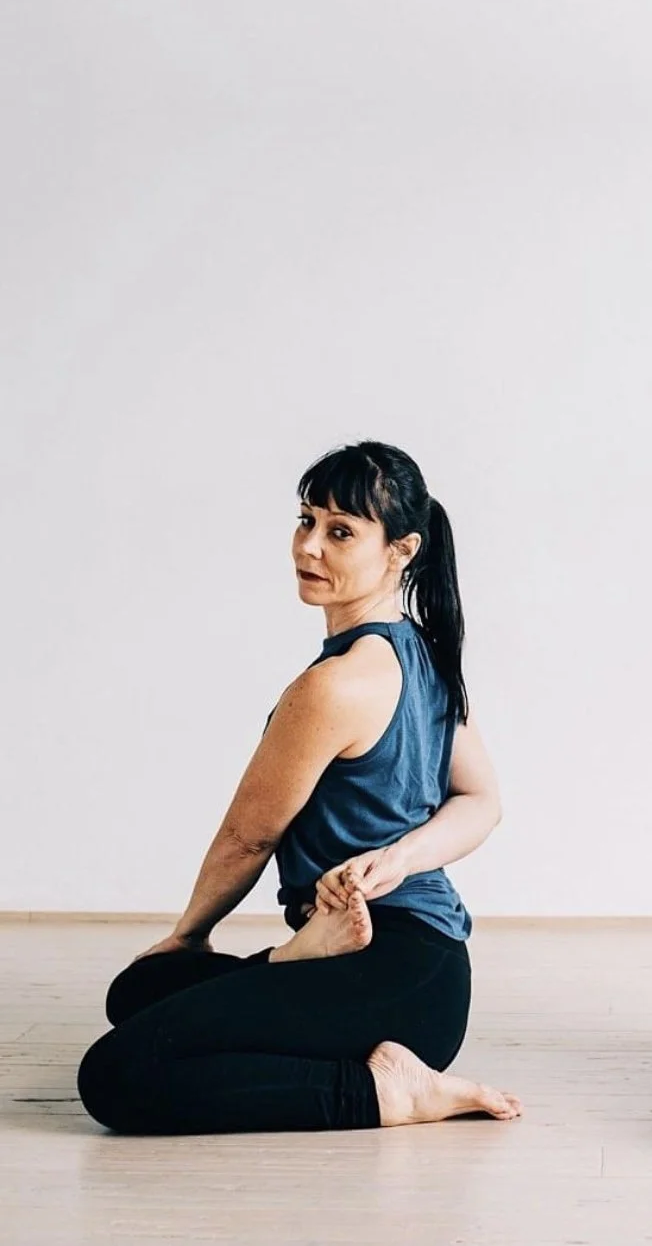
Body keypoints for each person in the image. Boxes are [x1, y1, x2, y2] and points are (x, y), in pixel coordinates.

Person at [78, 441, 521, 1134]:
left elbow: (249, 835)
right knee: (140, 992)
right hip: (425, 976)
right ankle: (297, 959)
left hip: (387, 975)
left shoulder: (334, 685)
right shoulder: (422, 654)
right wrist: (403, 857)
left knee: (114, 1076)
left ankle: (384, 1092)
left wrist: (189, 934)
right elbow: (481, 800)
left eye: (341, 531)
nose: (310, 545)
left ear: (400, 549)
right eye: (306, 519)